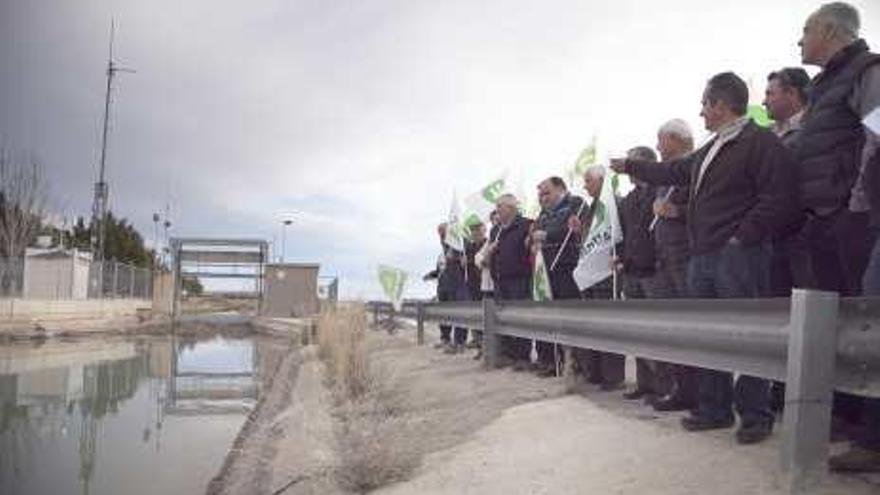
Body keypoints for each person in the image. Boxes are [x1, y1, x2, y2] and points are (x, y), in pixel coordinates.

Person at [611, 71, 799, 444]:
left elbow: (778, 197)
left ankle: (755, 416)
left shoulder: (759, 143)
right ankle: (714, 409)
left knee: (747, 337)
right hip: (703, 257)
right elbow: (673, 169)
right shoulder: (709, 150)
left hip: (738, 256)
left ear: (721, 104)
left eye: (704, 104)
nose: (701, 113)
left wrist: (741, 237)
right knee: (709, 336)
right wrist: (632, 166)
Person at [796, 2, 880, 472]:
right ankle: (848, 419)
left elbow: (879, 134)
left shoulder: (866, 71)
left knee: (866, 324)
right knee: (841, 326)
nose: (800, 40)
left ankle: (873, 436)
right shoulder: (825, 85)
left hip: (856, 218)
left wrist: (856, 205)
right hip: (826, 220)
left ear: (829, 30)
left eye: (805, 30)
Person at [649, 119, 700, 413]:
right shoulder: (664, 177)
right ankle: (682, 389)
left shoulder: (694, 167)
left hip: (686, 257)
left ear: (677, 139)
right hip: (664, 260)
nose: (657, 147)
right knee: (673, 328)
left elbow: (709, 206)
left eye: (661, 140)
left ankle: (701, 393)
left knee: (691, 326)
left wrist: (676, 211)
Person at [571, 165, 626, 391]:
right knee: (592, 325)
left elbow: (621, 234)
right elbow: (585, 241)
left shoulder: (616, 203)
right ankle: (596, 372)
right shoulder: (587, 209)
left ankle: (612, 377)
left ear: (602, 181)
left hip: (608, 272)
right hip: (590, 275)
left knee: (609, 325)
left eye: (589, 181)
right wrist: (577, 230)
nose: (585, 186)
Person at [616, 146, 664, 402]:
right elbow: (624, 234)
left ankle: (663, 386)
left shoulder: (661, 191)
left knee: (657, 331)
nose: (627, 170)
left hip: (654, 271)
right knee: (637, 331)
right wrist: (621, 258)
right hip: (631, 272)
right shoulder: (629, 199)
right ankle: (645, 383)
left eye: (632, 163)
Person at [764, 67, 815, 299]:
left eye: (770, 94)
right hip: (770, 235)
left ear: (792, 93)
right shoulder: (763, 137)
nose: (764, 102)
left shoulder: (816, 128)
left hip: (805, 233)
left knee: (810, 302)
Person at [532, 177, 588, 377]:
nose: (543, 198)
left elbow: (573, 228)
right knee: (550, 319)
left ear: (561, 189)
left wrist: (546, 236)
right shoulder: (543, 214)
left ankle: (579, 365)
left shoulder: (575, 203)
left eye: (546, 193)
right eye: (540, 194)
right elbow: (534, 232)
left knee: (572, 318)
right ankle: (556, 363)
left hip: (568, 268)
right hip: (546, 272)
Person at [488, 194, 534, 367]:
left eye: (500, 206)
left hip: (519, 279)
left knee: (521, 318)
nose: (497, 210)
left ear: (511, 207)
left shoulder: (525, 225)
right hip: (500, 280)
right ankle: (509, 355)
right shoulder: (495, 230)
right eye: (497, 206)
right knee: (503, 319)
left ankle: (523, 357)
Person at [423, 223, 470, 352]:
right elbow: (440, 271)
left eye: (443, 233)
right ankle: (445, 339)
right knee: (444, 315)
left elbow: (465, 262)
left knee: (459, 314)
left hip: (458, 285)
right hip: (443, 287)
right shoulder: (441, 255)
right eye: (440, 235)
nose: (441, 238)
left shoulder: (460, 245)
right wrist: (431, 274)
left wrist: (457, 257)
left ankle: (459, 342)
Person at [465, 220, 488, 352]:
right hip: (472, 285)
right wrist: (464, 261)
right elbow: (469, 262)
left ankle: (486, 346)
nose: (475, 232)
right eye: (473, 230)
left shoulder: (487, 243)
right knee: (474, 316)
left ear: (483, 229)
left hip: (484, 285)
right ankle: (479, 344)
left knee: (484, 316)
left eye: (477, 229)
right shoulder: (469, 247)